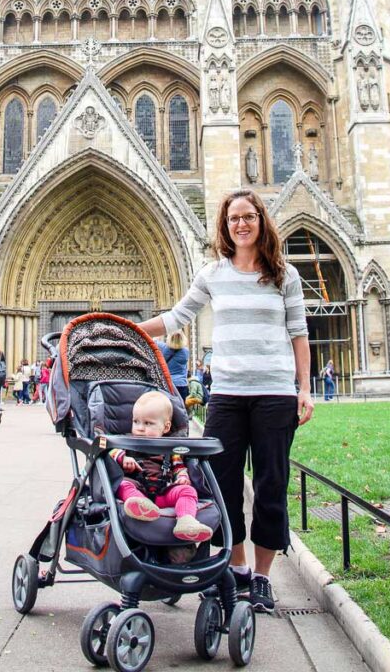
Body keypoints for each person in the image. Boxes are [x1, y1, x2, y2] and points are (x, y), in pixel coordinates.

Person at [139, 188, 314, 614]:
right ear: (225, 225)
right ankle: (235, 569)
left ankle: (263, 578)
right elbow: (178, 317)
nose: (241, 224)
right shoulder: (213, 274)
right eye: (234, 218)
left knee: (272, 486)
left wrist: (304, 388)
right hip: (228, 395)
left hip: (275, 394)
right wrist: (127, 328)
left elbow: (299, 333)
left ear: (261, 220)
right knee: (222, 486)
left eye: (248, 216)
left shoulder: (284, 275)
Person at [110, 391, 212, 543]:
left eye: (148, 423)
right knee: (121, 484)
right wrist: (123, 458)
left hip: (164, 492)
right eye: (136, 421)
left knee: (188, 491)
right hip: (137, 487)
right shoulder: (126, 441)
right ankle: (140, 504)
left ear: (166, 427)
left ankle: (186, 520)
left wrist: (182, 477)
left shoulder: (170, 449)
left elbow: (179, 467)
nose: (140, 428)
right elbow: (109, 451)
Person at [159, 330, 190, 402]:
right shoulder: (186, 352)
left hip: (167, 384)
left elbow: (153, 340)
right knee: (180, 409)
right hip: (181, 384)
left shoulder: (163, 348)